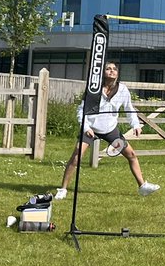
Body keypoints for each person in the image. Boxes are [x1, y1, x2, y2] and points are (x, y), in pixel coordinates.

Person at [55, 61, 159, 199]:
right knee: (76, 157)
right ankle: (62, 190)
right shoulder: (94, 89)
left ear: (117, 73)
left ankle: (142, 187)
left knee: (131, 155)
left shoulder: (122, 90)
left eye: (114, 69)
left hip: (110, 130)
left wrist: (135, 125)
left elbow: (129, 109)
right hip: (90, 128)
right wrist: (85, 127)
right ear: (103, 73)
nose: (111, 71)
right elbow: (81, 109)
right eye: (108, 69)